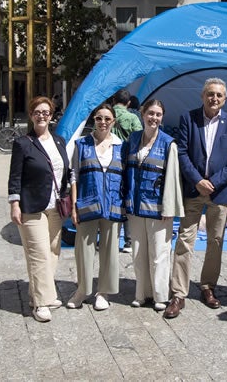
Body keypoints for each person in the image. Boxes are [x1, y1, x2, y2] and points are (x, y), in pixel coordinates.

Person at [165, 78, 227, 319]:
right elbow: (183, 152)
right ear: (202, 96)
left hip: (219, 192)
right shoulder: (188, 119)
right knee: (184, 240)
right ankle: (178, 293)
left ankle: (208, 286)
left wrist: (215, 183)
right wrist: (197, 180)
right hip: (193, 190)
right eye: (210, 94)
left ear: (225, 99)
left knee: (215, 240)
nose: (214, 99)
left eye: (219, 95)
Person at [8, 96, 70, 323]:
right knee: (39, 254)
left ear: (52, 116)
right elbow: (15, 176)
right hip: (31, 206)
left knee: (54, 251)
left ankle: (42, 293)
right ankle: (41, 303)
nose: (42, 115)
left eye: (46, 112)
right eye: (37, 111)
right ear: (31, 115)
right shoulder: (23, 143)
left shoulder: (60, 141)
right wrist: (14, 203)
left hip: (55, 206)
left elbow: (65, 171)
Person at [124, 99, 183, 311]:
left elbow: (173, 179)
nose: (154, 118)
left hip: (159, 209)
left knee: (160, 253)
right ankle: (141, 294)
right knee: (138, 253)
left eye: (158, 114)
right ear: (142, 114)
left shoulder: (169, 143)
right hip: (135, 207)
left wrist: (170, 208)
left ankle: (160, 296)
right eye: (150, 113)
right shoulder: (132, 140)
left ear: (162, 117)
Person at [67, 103, 126, 311]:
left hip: (113, 205)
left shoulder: (121, 146)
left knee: (110, 250)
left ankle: (104, 292)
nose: (103, 122)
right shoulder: (81, 144)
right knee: (83, 249)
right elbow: (74, 175)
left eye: (107, 119)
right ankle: (82, 290)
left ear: (113, 122)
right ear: (94, 120)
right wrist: (74, 206)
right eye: (99, 118)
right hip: (87, 203)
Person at [111, 89, 142, 253]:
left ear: (114, 100)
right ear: (129, 102)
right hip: (127, 162)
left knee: (111, 196)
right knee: (127, 197)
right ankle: (129, 240)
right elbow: (139, 138)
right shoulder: (132, 118)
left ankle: (108, 237)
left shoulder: (105, 115)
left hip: (108, 162)